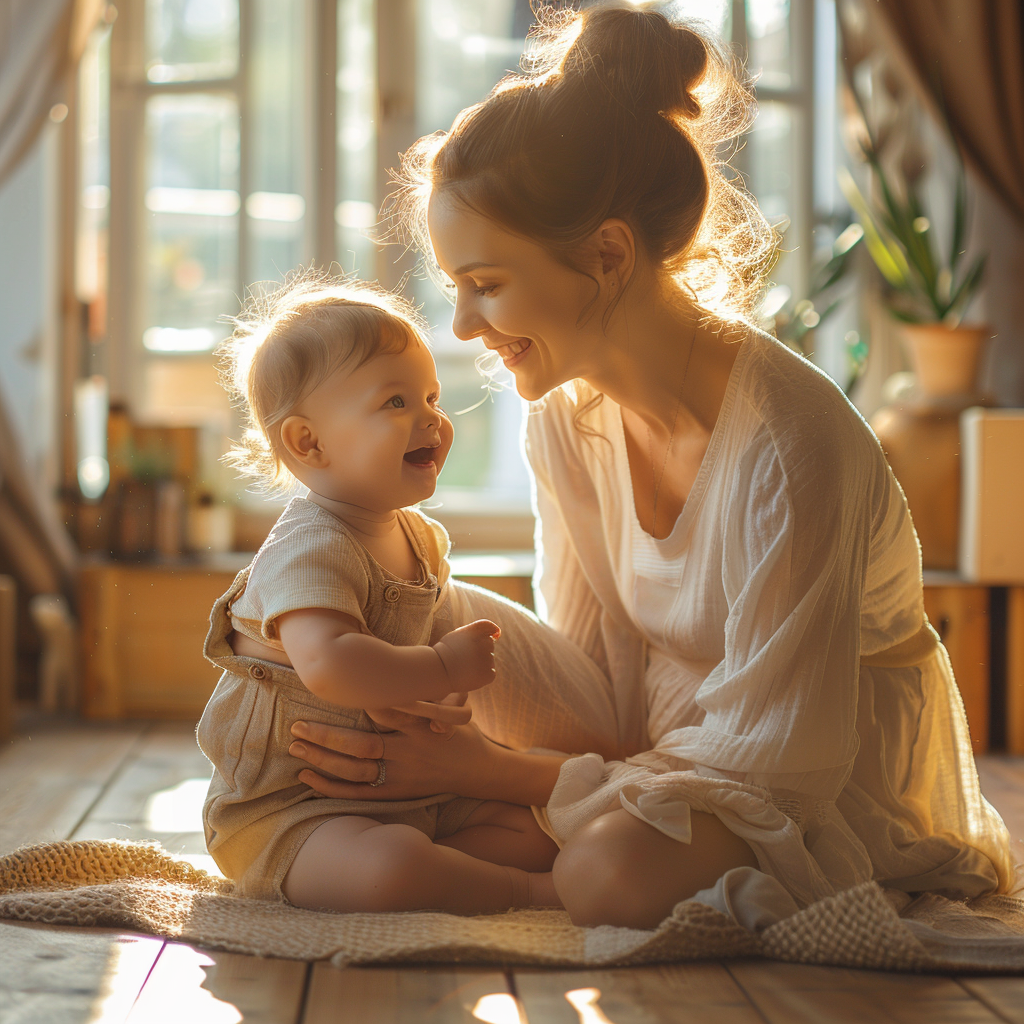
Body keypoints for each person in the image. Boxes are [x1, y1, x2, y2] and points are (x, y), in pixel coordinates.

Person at [284, 2, 1018, 929]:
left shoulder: (791, 446)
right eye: (456, 290)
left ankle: (524, 844)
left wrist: (492, 773)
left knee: (607, 877)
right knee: (423, 605)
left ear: (608, 253)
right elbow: (592, 676)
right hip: (657, 747)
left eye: (487, 284)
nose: (465, 328)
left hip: (806, 780)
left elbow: (781, 760)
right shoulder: (565, 414)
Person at [197, 274, 592, 913]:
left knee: (534, 824)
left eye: (431, 396)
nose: (431, 418)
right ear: (309, 442)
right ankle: (526, 893)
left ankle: (461, 872)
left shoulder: (419, 538)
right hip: (296, 814)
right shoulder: (308, 546)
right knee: (390, 870)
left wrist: (442, 696)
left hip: (407, 792)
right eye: (395, 403)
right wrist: (437, 667)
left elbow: (415, 654)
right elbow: (329, 664)